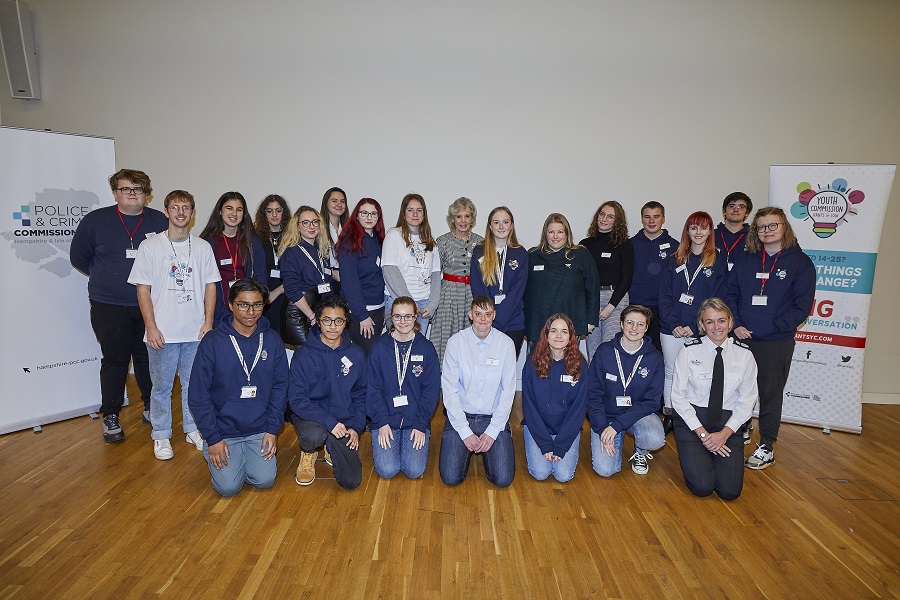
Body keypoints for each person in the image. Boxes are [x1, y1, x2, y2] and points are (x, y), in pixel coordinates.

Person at [71, 169, 169, 443]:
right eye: (126, 189)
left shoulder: (159, 220)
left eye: (138, 189)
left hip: (150, 304)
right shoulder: (95, 221)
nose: (132, 194)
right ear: (115, 192)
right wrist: (107, 275)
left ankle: (151, 406)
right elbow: (79, 258)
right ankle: (111, 414)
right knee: (114, 360)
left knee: (148, 358)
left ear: (147, 194)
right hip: (109, 304)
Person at [127, 190, 221, 460]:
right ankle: (161, 435)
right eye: (175, 207)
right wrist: (151, 327)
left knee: (195, 386)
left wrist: (208, 322)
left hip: (195, 332)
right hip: (162, 333)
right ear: (166, 212)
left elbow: (210, 286)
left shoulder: (202, 247)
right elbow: (142, 290)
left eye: (187, 207)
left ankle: (192, 429)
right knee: (161, 388)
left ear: (192, 214)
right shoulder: (150, 247)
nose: (181, 212)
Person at [723, 207, 815, 470]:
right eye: (761, 227)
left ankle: (767, 446)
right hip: (742, 337)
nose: (767, 231)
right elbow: (730, 294)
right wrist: (736, 325)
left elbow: (802, 305)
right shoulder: (746, 259)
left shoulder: (800, 263)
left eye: (772, 225)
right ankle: (740, 430)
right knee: (736, 390)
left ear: (784, 227)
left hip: (776, 341)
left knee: (770, 394)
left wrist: (774, 327)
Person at [187, 278, 289, 497]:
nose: (251, 311)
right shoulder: (212, 342)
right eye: (243, 304)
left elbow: (281, 387)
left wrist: (272, 430)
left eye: (257, 304)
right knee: (228, 488)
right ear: (231, 304)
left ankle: (245, 458)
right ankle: (227, 456)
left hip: (259, 429)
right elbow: (198, 394)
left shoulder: (272, 340)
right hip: (223, 430)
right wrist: (212, 438)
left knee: (264, 480)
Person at [672, 298, 758, 500]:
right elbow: (678, 397)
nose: (716, 327)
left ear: (730, 322)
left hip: (727, 423)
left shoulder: (745, 355)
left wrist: (723, 435)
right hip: (693, 421)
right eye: (709, 322)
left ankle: (711, 452)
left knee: (730, 492)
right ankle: (702, 453)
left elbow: (747, 401)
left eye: (721, 320)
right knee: (702, 488)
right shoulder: (688, 350)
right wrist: (703, 435)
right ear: (701, 325)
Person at [289, 295, 366, 490]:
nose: (333, 326)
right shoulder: (303, 354)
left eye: (338, 320)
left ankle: (332, 446)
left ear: (345, 322)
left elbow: (362, 395)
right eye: (327, 320)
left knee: (351, 481)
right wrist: (329, 421)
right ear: (317, 321)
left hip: (344, 421)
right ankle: (309, 451)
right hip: (311, 417)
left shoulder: (356, 354)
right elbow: (297, 400)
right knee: (314, 434)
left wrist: (356, 428)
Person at [658, 211, 727, 430]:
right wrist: (673, 325)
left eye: (703, 228)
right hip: (672, 329)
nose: (698, 232)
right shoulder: (675, 259)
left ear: (710, 231)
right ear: (687, 230)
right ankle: (669, 414)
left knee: (697, 373)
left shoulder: (717, 261)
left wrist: (693, 326)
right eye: (694, 228)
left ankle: (694, 415)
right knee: (671, 371)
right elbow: (665, 296)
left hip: (700, 329)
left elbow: (715, 299)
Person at [440, 296, 516, 488]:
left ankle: (491, 447)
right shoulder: (455, 343)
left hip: (492, 418)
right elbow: (449, 391)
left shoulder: (505, 344)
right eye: (478, 314)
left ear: (494, 316)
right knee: (450, 478)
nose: (483, 319)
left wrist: (492, 432)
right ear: (470, 315)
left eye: (487, 314)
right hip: (461, 416)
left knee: (503, 480)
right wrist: (465, 432)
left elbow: (508, 393)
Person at [586, 305, 665, 477]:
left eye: (640, 324)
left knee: (655, 438)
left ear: (646, 328)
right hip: (607, 416)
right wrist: (602, 428)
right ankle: (614, 438)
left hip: (638, 415)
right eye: (630, 322)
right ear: (621, 324)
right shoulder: (604, 351)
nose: (634, 328)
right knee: (605, 470)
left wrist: (617, 426)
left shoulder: (655, 358)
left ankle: (641, 451)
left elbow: (651, 402)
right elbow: (593, 395)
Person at [366, 297, 441, 479]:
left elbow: (431, 392)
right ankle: (389, 438)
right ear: (390, 318)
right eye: (398, 317)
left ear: (416, 317)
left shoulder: (426, 348)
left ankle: (405, 439)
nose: (403, 322)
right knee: (387, 470)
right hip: (385, 418)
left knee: (414, 471)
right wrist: (382, 422)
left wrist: (421, 423)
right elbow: (372, 389)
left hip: (415, 419)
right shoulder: (379, 348)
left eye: (408, 316)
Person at [521, 313, 587, 483]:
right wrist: (544, 443)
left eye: (564, 332)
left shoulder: (580, 365)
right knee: (540, 473)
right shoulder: (532, 363)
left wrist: (561, 444)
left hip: (566, 430)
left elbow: (578, 410)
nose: (559, 336)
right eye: (554, 331)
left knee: (563, 475)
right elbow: (529, 407)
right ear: (546, 334)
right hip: (538, 427)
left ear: (571, 336)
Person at [524, 213, 600, 352]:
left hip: (570, 323)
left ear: (567, 233)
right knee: (536, 366)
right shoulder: (532, 256)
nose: (555, 236)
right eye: (551, 232)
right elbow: (523, 290)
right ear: (545, 234)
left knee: (568, 367)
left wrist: (591, 320)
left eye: (560, 232)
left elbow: (592, 287)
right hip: (538, 324)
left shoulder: (580, 254)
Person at [199, 192, 267, 322]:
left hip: (247, 310)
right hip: (217, 310)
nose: (234, 214)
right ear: (220, 211)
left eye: (239, 209)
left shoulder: (252, 241)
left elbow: (261, 277)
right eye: (229, 208)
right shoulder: (208, 243)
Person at [471, 206, 529, 357]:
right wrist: (489, 316)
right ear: (490, 226)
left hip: (513, 321)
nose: (501, 226)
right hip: (486, 321)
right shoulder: (479, 252)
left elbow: (518, 290)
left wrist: (500, 316)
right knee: (486, 368)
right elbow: (478, 288)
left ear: (511, 226)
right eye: (496, 222)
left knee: (507, 368)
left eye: (505, 222)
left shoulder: (520, 253)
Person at [580, 201, 634, 360]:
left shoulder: (624, 244)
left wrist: (610, 307)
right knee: (593, 349)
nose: (604, 219)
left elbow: (627, 278)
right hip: (591, 300)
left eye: (610, 216)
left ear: (617, 221)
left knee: (611, 349)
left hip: (615, 300)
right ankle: (595, 384)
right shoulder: (585, 245)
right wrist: (589, 304)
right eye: (601, 214)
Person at [432, 197, 483, 362]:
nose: (463, 220)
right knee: (445, 335)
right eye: (459, 216)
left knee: (470, 335)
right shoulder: (442, 241)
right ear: (452, 219)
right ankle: (442, 376)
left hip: (472, 293)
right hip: (449, 294)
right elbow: (434, 272)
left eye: (467, 216)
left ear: (472, 219)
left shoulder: (481, 242)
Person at [382, 193, 441, 333]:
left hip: (423, 305)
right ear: (404, 213)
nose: (415, 214)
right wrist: (409, 304)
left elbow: (436, 276)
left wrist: (432, 305)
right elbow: (390, 273)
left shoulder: (430, 240)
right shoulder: (394, 235)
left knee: (417, 349)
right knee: (397, 347)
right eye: (410, 210)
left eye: (419, 210)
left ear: (424, 214)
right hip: (398, 302)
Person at [336, 198, 386, 355]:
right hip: (361, 313)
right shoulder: (349, 242)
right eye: (364, 213)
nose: (369, 217)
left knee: (373, 356)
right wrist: (362, 315)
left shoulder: (378, 240)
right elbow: (349, 283)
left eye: (373, 213)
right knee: (369, 356)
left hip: (378, 309)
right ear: (356, 215)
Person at [278, 206, 333, 346]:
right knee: (307, 354)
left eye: (315, 222)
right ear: (297, 227)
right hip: (298, 312)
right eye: (306, 222)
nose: (311, 226)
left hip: (316, 310)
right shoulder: (290, 253)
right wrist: (312, 316)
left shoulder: (322, 250)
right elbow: (292, 290)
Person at [628, 201, 678, 353]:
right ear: (642, 219)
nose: (651, 221)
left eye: (656, 217)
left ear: (663, 218)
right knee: (633, 351)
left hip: (662, 309)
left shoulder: (676, 247)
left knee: (659, 353)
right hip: (634, 307)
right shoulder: (629, 245)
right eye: (647, 217)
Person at [253, 194, 291, 338]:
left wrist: (278, 291)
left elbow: (299, 271)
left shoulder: (292, 238)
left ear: (284, 212)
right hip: (263, 296)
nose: (274, 215)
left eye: (278, 210)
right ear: (264, 214)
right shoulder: (256, 239)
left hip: (287, 294)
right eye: (269, 211)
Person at [715, 192, 753, 272]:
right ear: (724, 211)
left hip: (742, 283)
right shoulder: (711, 235)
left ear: (747, 213)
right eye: (731, 206)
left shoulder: (753, 237)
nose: (736, 210)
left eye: (741, 207)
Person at [320, 187, 348, 293]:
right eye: (334, 201)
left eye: (342, 201)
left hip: (346, 278)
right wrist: (331, 272)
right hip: (326, 280)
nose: (339, 204)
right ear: (326, 203)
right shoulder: (318, 228)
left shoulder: (349, 228)